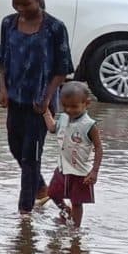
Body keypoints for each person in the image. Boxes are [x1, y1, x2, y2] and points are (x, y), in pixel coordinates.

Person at [0, 0, 73, 214]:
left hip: (40, 104)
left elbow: (62, 69)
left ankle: (24, 213)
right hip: (15, 99)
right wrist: (3, 88)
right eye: (16, 3)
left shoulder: (55, 28)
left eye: (26, 4)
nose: (20, 8)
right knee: (15, 148)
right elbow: (3, 59)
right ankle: (41, 188)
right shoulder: (8, 24)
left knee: (30, 157)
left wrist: (47, 99)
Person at [45, 79, 103, 225]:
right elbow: (53, 129)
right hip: (63, 167)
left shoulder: (89, 125)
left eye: (74, 107)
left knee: (77, 202)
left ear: (86, 103)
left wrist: (94, 171)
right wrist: (45, 112)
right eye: (65, 106)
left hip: (81, 171)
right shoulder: (64, 117)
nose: (69, 110)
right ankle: (65, 211)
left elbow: (99, 148)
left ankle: (75, 230)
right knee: (52, 192)